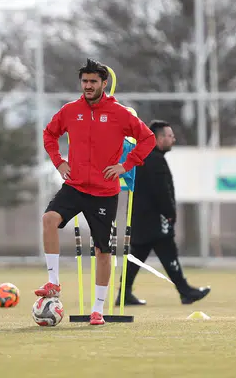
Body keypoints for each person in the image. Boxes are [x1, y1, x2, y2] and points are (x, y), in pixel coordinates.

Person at [38, 59, 156, 325]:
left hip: (104, 191)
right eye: (84, 81)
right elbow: (49, 134)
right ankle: (53, 284)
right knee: (49, 220)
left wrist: (125, 166)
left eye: (93, 82)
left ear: (104, 83)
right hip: (75, 185)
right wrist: (59, 162)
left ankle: (98, 309)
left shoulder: (119, 113)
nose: (88, 86)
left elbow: (148, 139)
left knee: (103, 251)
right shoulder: (70, 110)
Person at [117, 120, 210, 306]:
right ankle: (185, 291)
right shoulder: (155, 160)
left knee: (138, 255)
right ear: (159, 138)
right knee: (167, 253)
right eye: (169, 136)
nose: (173, 139)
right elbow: (161, 191)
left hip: (141, 218)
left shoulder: (144, 157)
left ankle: (125, 293)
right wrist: (170, 212)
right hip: (154, 219)